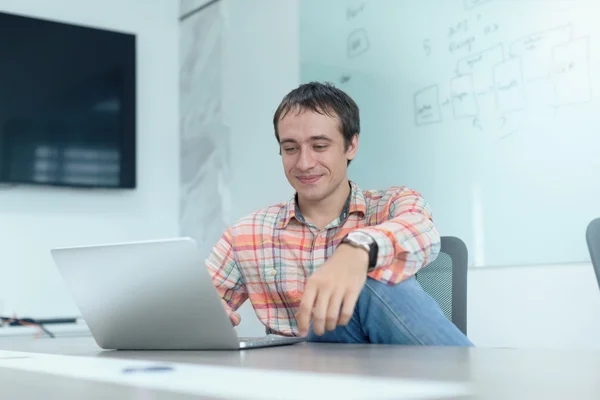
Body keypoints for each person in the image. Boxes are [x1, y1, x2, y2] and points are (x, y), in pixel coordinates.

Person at [205, 82, 472, 346]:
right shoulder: (247, 234)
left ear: (351, 146)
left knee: (372, 281)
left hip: (385, 375)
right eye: (290, 149)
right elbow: (196, 301)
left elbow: (423, 230)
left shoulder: (391, 205)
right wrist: (206, 315)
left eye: (319, 146)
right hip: (295, 378)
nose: (304, 163)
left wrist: (358, 251)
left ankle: (465, 380)